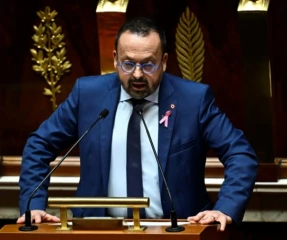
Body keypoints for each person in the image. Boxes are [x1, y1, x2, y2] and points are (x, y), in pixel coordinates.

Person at [17, 17, 258, 231]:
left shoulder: (193, 100)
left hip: (176, 230)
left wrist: (225, 207)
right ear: (115, 60)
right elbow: (39, 144)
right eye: (128, 64)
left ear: (164, 61)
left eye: (148, 64)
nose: (138, 75)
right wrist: (34, 205)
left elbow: (240, 154)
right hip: (97, 231)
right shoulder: (88, 95)